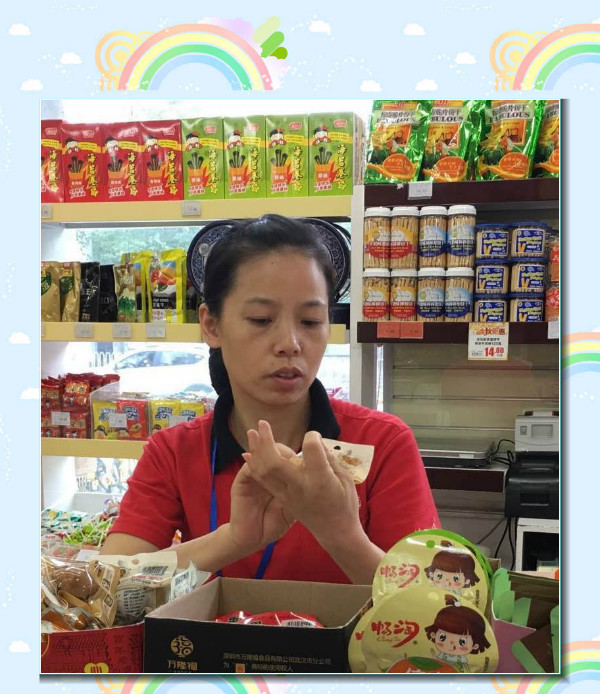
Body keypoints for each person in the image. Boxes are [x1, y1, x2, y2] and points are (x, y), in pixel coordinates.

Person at [101, 215, 439, 584]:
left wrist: (342, 534)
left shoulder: (382, 443)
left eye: (311, 321)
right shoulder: (174, 452)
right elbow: (108, 582)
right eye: (262, 319)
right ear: (211, 325)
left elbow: (432, 605)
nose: (290, 344)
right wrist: (235, 539)